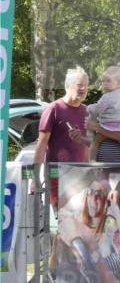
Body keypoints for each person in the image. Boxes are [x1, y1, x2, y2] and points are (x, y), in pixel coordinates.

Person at [32, 67, 90, 208]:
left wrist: (91, 172)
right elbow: (41, 145)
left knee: (79, 224)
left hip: (81, 177)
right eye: (79, 84)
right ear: (68, 86)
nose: (83, 88)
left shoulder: (86, 111)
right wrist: (35, 178)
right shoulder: (54, 108)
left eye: (86, 85)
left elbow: (88, 146)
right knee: (62, 221)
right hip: (57, 176)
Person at [87, 65, 120, 163]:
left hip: (108, 125)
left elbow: (98, 109)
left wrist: (89, 108)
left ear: (118, 83)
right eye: (103, 80)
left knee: (95, 142)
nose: (105, 83)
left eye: (108, 81)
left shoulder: (107, 97)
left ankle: (92, 161)